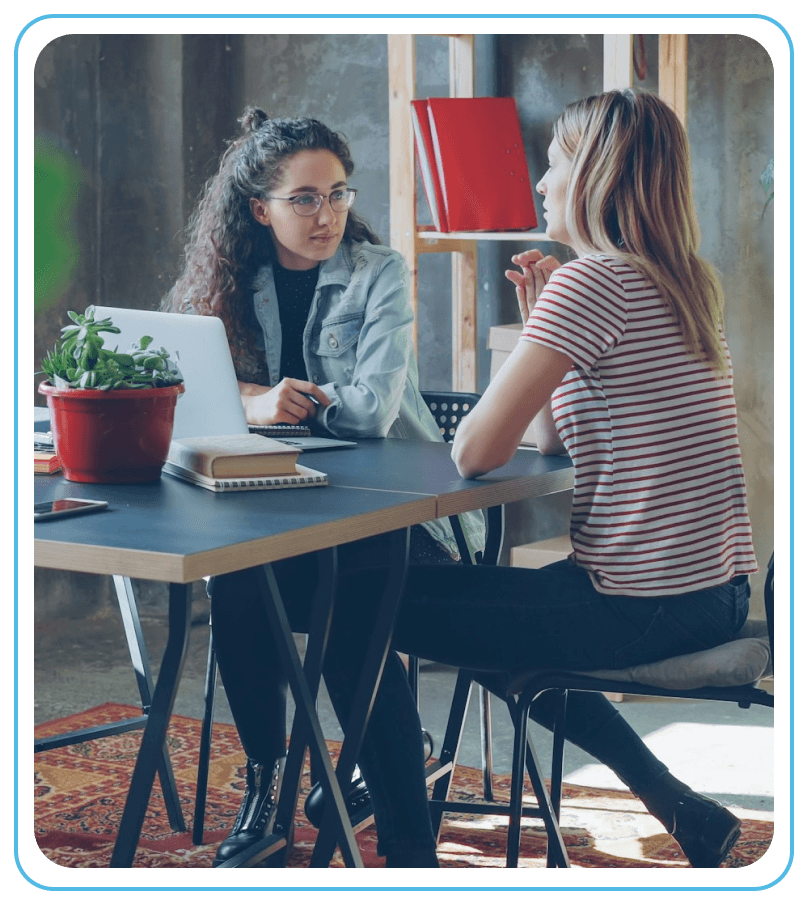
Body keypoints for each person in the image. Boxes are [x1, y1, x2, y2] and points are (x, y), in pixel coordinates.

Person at [387, 88, 758, 869]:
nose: (543, 182)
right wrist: (538, 327)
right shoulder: (687, 281)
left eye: (553, 164)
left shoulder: (594, 283)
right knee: (489, 620)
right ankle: (680, 806)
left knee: (365, 595)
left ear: (592, 176)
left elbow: (476, 451)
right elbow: (561, 440)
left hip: (633, 608)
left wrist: (545, 321)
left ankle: (394, 829)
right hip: (712, 595)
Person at [162, 108, 485, 869]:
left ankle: (405, 834)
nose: (327, 214)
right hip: (282, 509)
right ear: (259, 208)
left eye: (337, 193)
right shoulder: (228, 281)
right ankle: (268, 787)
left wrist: (268, 395)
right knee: (237, 578)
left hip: (396, 520)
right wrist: (251, 401)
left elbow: (371, 410)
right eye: (304, 199)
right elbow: (180, 386)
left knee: (349, 608)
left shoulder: (378, 271)